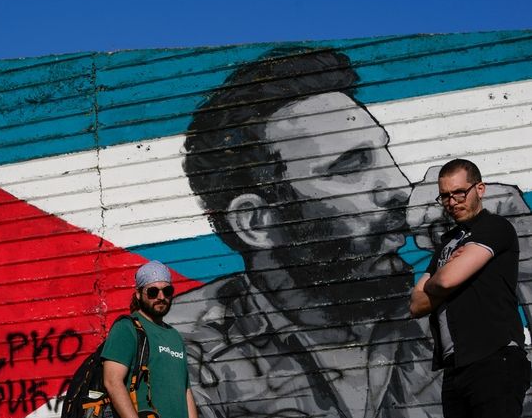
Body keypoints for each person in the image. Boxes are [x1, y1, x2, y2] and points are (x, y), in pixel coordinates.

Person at [165, 49, 441, 417]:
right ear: (257, 223)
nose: (399, 188)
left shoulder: (437, 312)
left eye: (383, 153)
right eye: (351, 166)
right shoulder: (184, 352)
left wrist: (521, 259)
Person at [410, 159, 531, 417]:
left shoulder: (494, 228)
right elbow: (416, 305)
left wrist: (437, 280)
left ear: (480, 189)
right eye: (445, 196)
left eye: (459, 192)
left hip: (494, 359)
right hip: (456, 367)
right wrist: (446, 273)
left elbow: (444, 282)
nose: (452, 202)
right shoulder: (448, 245)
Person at [101, 260, 199, 418]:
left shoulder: (174, 336)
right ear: (139, 294)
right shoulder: (126, 328)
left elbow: (185, 390)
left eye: (167, 291)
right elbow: (112, 382)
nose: (161, 297)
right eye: (153, 292)